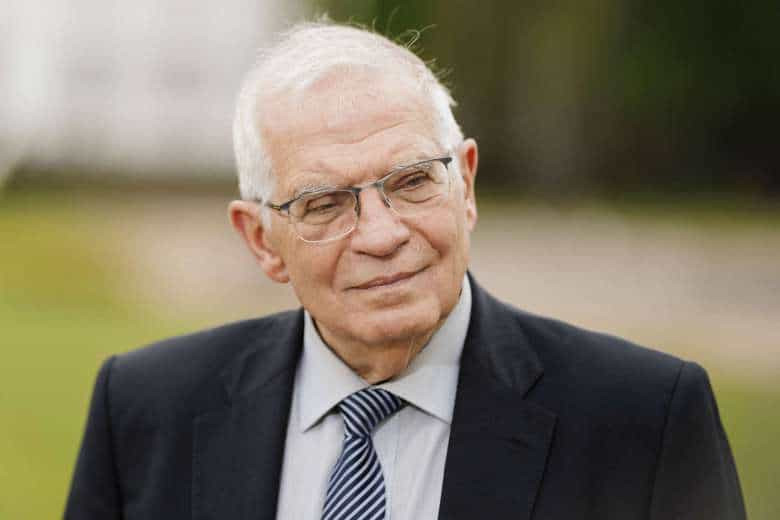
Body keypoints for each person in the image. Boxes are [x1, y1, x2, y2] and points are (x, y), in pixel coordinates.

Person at [65, 21, 746, 520]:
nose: (383, 235)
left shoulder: (643, 420)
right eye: (324, 203)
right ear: (262, 240)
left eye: (413, 181)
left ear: (466, 187)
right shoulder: (146, 411)